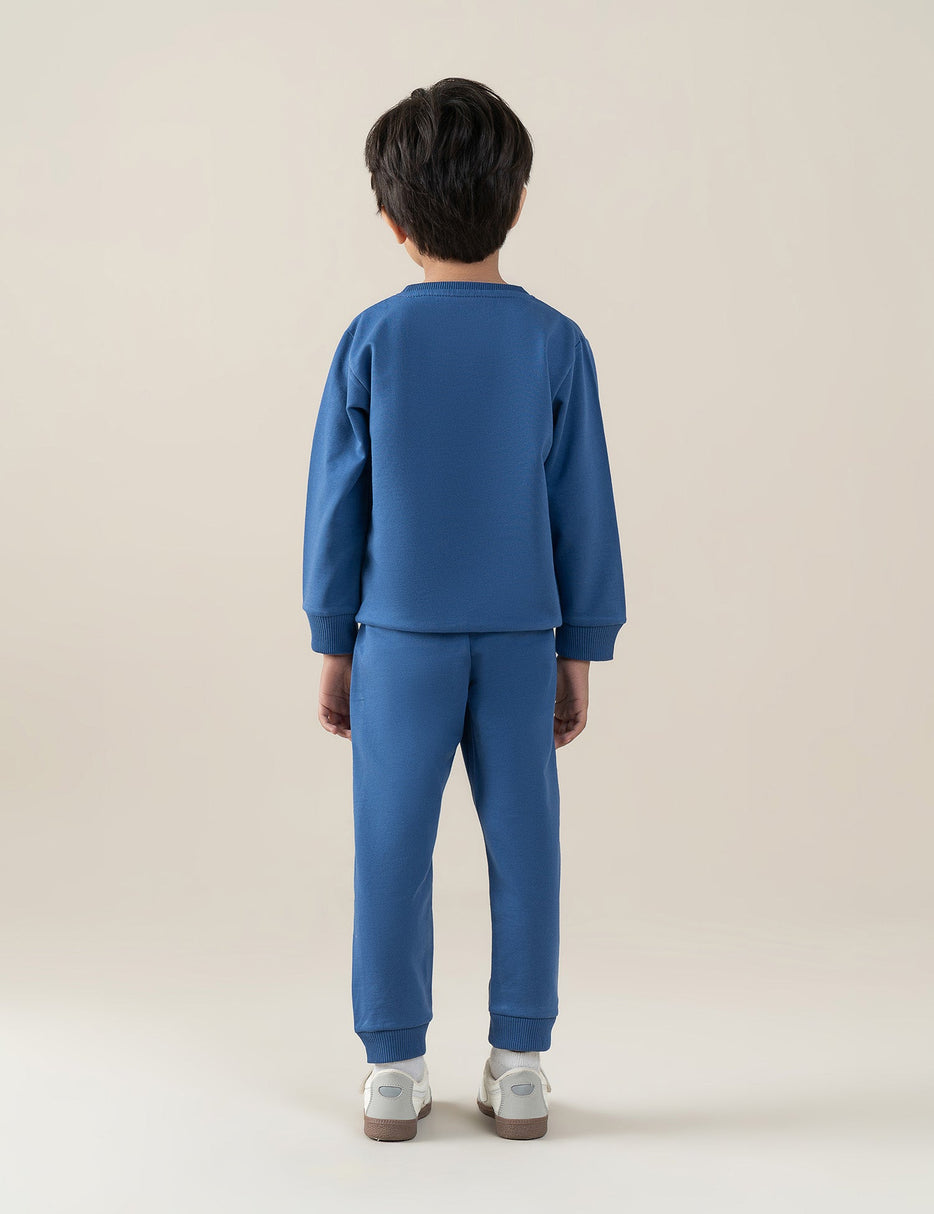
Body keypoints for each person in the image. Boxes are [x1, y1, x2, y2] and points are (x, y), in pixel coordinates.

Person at [301, 77, 627, 1142]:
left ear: (390, 219)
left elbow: (337, 503)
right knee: (526, 847)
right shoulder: (554, 341)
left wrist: (332, 641)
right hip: (522, 634)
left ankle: (394, 1070)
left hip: (397, 637)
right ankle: (519, 1064)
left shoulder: (371, 339)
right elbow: (582, 504)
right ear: (518, 200)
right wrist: (582, 646)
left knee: (391, 848)